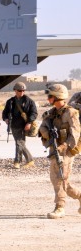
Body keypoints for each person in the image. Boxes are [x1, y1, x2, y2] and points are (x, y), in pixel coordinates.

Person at [38, 84, 81, 219]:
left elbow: (75, 134)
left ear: (57, 97)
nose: (48, 98)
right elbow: (41, 128)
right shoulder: (50, 114)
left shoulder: (71, 113)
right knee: (58, 180)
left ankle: (60, 207)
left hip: (67, 151)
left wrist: (64, 146)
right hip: (54, 149)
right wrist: (44, 132)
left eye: (50, 96)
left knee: (60, 179)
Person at [2, 82, 38, 169]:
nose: (21, 92)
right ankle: (27, 161)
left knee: (19, 143)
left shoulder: (29, 101)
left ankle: (18, 161)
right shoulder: (10, 101)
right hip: (14, 125)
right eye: (19, 90)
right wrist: (6, 118)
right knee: (20, 143)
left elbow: (34, 113)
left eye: (23, 90)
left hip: (24, 125)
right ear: (15, 90)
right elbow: (5, 112)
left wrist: (29, 122)